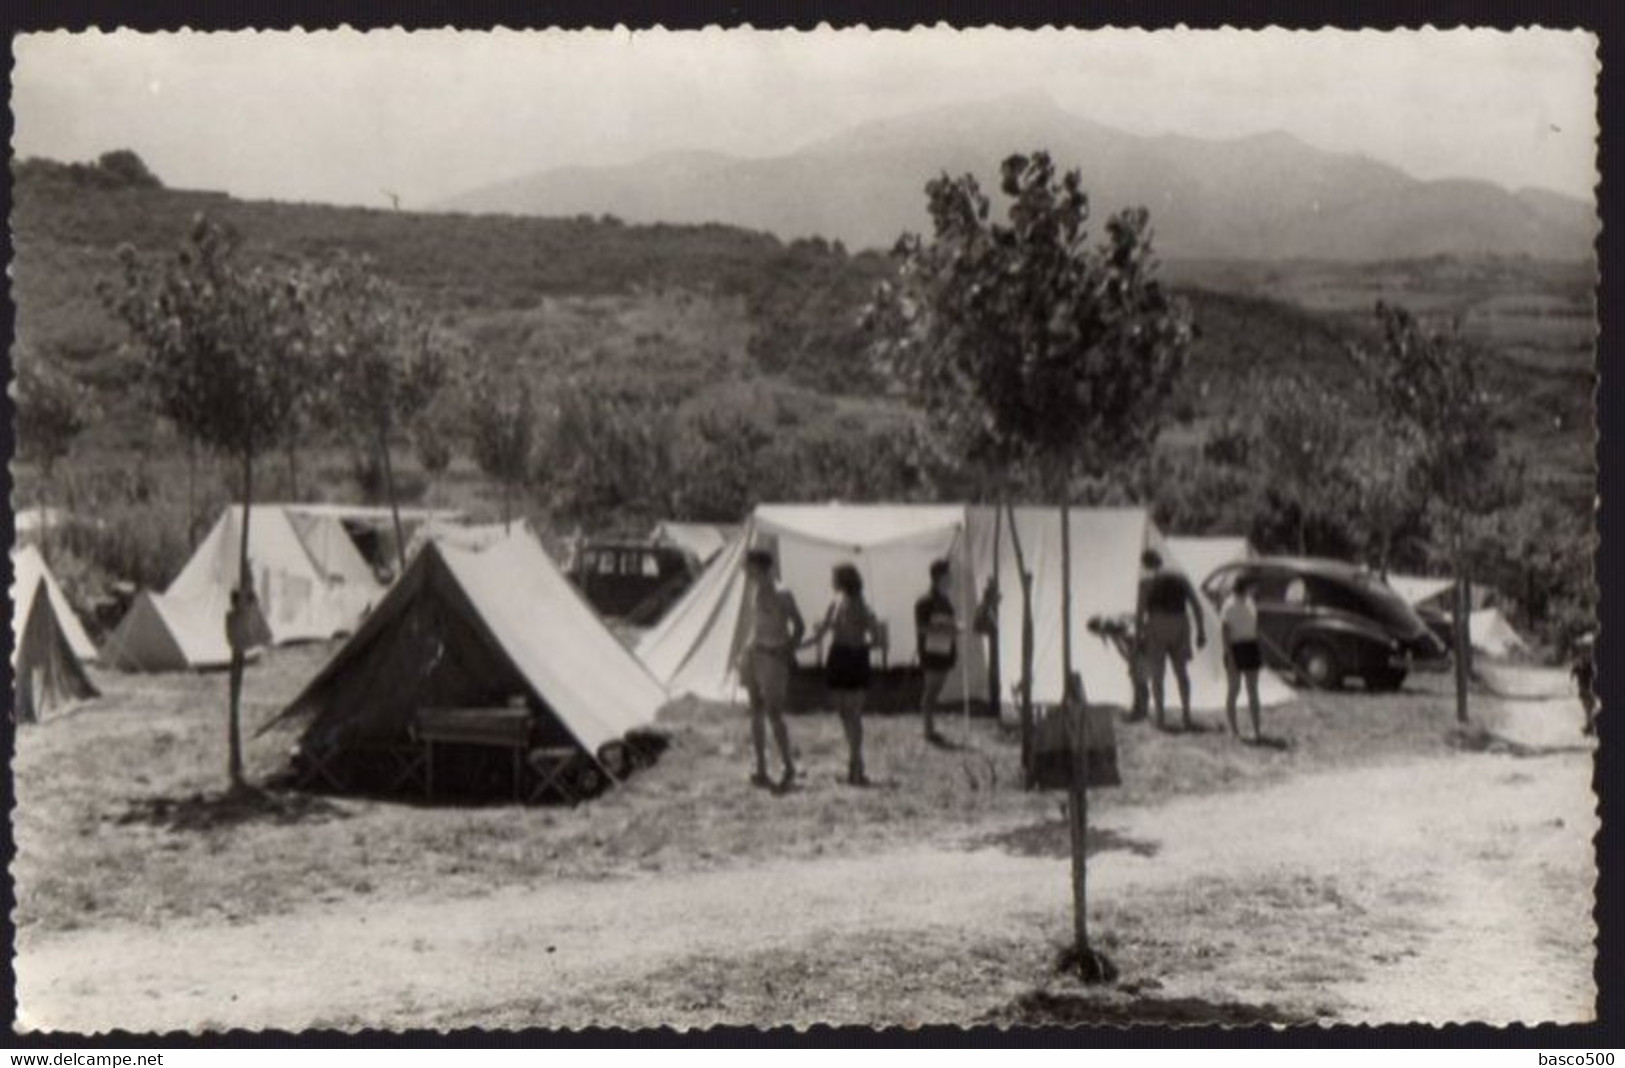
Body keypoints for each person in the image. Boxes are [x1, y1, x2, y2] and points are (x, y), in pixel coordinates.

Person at [733, 548, 805, 790]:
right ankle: (761, 766)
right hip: (753, 654)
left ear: (760, 567)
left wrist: (788, 650)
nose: (745, 571)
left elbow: (799, 626)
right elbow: (754, 625)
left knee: (774, 714)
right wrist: (743, 653)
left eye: (748, 566)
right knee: (755, 711)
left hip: (773, 658)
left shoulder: (783, 593)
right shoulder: (754, 591)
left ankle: (788, 765)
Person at [803, 563, 882, 785]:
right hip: (842, 657)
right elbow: (821, 635)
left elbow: (876, 638)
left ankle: (855, 764)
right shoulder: (838, 603)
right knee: (845, 713)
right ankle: (856, 762)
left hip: (851, 657)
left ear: (843, 580)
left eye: (834, 577)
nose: (831, 581)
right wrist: (797, 647)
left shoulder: (861, 606)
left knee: (853, 713)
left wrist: (861, 646)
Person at [1135, 549, 1207, 731]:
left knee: (1157, 674)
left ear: (1145, 564)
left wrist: (1139, 636)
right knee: (1181, 673)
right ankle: (1187, 715)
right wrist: (1201, 631)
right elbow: (1197, 606)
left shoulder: (1146, 582)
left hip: (1157, 623)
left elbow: (1140, 612)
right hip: (1180, 623)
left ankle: (1160, 718)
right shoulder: (1180, 578)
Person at [915, 558, 959, 743]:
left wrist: (953, 629)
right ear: (939, 577)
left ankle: (929, 726)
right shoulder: (925, 601)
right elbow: (922, 628)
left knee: (936, 689)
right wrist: (946, 629)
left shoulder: (945, 600)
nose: (951, 579)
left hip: (945, 648)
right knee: (931, 690)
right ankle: (927, 729)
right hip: (932, 651)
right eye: (948, 575)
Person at [1221, 575, 1264, 742]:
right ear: (1244, 587)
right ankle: (1233, 730)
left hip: (1250, 646)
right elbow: (1224, 632)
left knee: (1252, 690)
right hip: (1235, 647)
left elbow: (1253, 626)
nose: (1254, 590)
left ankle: (1257, 730)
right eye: (1251, 587)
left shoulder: (1250, 602)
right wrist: (1229, 657)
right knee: (1234, 689)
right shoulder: (1229, 605)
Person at [1573, 634, 1597, 737]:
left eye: (1586, 647)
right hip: (1583, 685)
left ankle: (1591, 725)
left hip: (1588, 685)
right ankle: (1589, 725)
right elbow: (1577, 667)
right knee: (1586, 705)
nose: (1583, 650)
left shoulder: (1592, 661)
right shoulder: (1583, 658)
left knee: (1589, 705)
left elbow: (1594, 673)